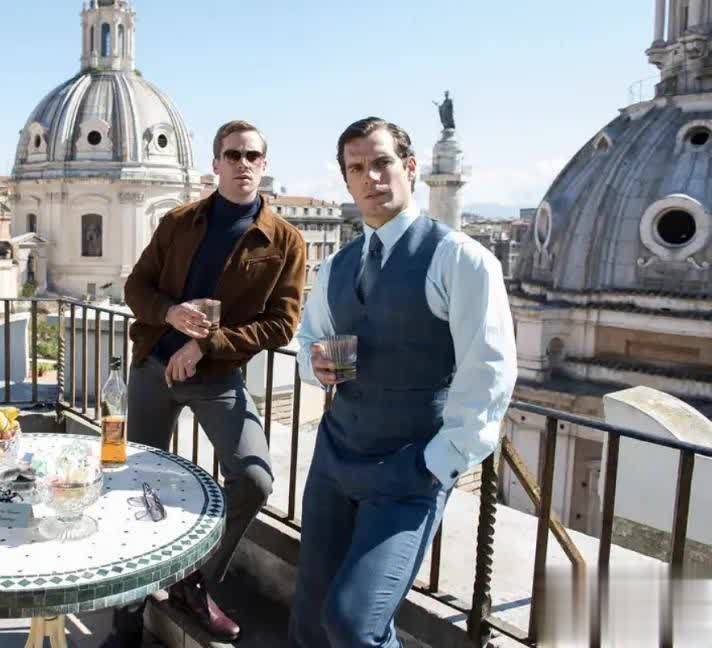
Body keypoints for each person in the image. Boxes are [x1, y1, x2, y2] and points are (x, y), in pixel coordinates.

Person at [288, 117, 517, 648]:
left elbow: (489, 373)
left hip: (408, 470)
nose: (371, 177)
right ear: (346, 181)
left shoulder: (461, 259)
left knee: (355, 625)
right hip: (335, 459)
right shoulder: (337, 266)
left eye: (382, 162)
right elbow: (309, 340)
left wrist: (435, 464)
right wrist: (313, 363)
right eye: (356, 168)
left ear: (410, 168)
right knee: (309, 618)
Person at [112, 120, 306, 644]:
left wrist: (206, 345)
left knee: (254, 479)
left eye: (253, 155)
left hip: (217, 375)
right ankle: (127, 614)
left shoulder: (284, 240)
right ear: (216, 163)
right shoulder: (179, 221)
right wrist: (170, 314)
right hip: (154, 368)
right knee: (137, 485)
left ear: (264, 164)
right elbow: (136, 287)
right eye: (233, 154)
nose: (243, 164)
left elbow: (282, 324)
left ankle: (192, 580)